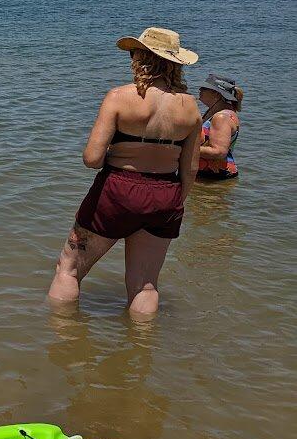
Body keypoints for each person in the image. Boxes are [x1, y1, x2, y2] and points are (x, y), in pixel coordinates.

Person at [47, 27, 202, 317]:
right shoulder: (191, 108)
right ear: (175, 63)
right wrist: (176, 200)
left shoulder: (119, 97)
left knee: (67, 270)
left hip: (118, 190)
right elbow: (190, 169)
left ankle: (63, 343)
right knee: (145, 286)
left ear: (142, 59)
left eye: (134, 54)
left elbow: (92, 159)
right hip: (166, 195)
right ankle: (141, 352)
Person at [197, 73, 243, 181]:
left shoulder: (221, 117)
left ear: (217, 94)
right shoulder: (215, 112)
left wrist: (185, 148)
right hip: (210, 175)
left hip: (215, 178)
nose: (199, 89)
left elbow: (219, 152)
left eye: (204, 88)